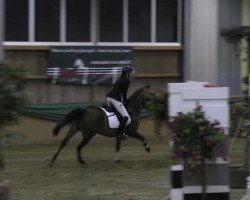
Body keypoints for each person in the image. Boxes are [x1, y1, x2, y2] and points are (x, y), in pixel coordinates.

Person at [106, 65, 133, 140]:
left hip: (109, 98)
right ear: (127, 73)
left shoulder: (119, 77)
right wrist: (125, 101)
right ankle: (120, 134)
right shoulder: (127, 80)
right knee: (126, 117)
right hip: (115, 99)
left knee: (118, 113)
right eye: (130, 72)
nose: (131, 73)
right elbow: (124, 93)